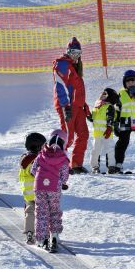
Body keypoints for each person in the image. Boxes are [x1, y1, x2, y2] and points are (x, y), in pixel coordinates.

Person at [53, 37, 90, 174]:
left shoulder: (75, 66)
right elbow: (60, 85)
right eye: (73, 52)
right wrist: (65, 105)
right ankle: (56, 164)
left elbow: (76, 90)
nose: (76, 56)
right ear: (67, 52)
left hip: (77, 107)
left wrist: (84, 106)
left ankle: (76, 165)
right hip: (67, 106)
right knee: (67, 137)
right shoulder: (62, 64)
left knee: (83, 134)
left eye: (78, 53)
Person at [31, 129, 70, 252]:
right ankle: (54, 235)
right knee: (54, 211)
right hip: (54, 188)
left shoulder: (41, 154)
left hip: (39, 186)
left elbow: (33, 170)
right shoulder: (63, 158)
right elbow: (64, 176)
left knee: (41, 212)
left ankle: (41, 239)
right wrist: (62, 182)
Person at [19, 132, 46, 244]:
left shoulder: (25, 158)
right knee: (42, 212)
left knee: (30, 211)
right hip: (37, 191)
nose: (44, 149)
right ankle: (42, 232)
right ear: (37, 146)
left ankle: (30, 232)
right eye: (43, 146)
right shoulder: (34, 160)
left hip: (27, 192)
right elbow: (35, 173)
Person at [89, 88, 121, 174]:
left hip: (107, 133)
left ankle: (111, 166)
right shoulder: (97, 106)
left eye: (105, 94)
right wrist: (87, 114)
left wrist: (109, 127)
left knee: (110, 149)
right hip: (97, 133)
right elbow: (92, 118)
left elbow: (110, 117)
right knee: (95, 150)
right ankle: (94, 167)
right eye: (102, 94)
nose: (102, 96)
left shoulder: (109, 107)